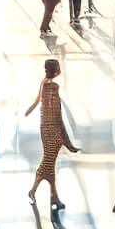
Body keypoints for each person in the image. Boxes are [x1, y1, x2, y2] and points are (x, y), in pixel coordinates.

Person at [24, 59, 79, 212]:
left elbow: (38, 103)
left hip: (45, 127)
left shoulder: (44, 82)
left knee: (50, 163)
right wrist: (67, 141)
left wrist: (29, 111)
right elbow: (57, 114)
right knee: (48, 162)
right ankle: (35, 190)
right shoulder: (53, 86)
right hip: (53, 129)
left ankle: (53, 196)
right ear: (55, 69)